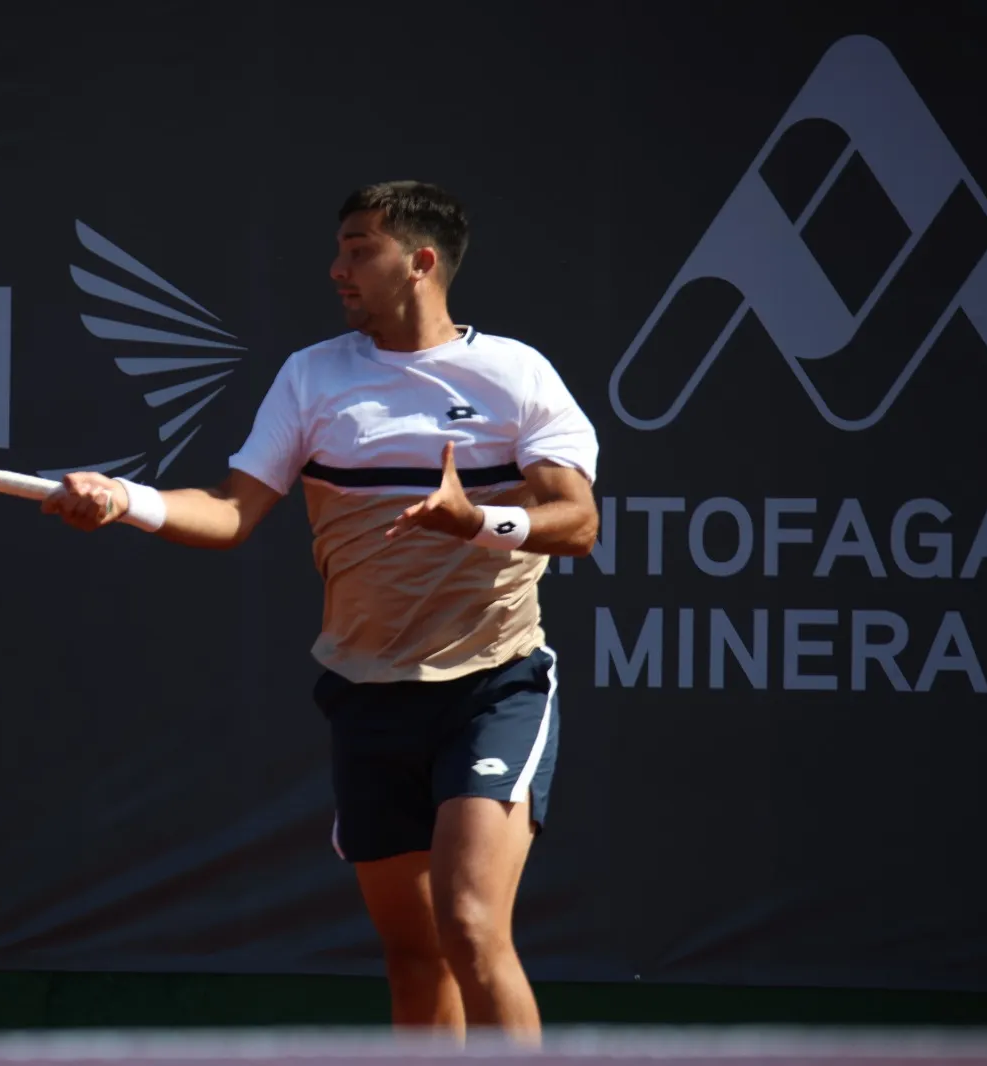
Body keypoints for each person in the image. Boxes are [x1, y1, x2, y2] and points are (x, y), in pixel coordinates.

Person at [42, 180, 599, 1040]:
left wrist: (477, 520)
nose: (337, 269)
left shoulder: (515, 374)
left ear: (420, 263)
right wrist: (124, 500)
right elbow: (231, 512)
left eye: (359, 250)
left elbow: (579, 521)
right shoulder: (312, 377)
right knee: (414, 955)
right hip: (368, 693)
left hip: (493, 685)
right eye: (340, 249)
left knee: (469, 924)